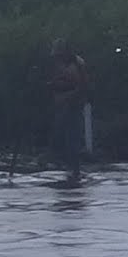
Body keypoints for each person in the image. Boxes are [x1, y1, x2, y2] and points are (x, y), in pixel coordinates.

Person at [46, 38, 89, 185]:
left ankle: (75, 169)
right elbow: (59, 81)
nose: (57, 57)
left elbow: (83, 86)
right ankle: (67, 167)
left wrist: (68, 97)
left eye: (59, 54)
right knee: (61, 135)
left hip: (74, 105)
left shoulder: (78, 64)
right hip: (61, 104)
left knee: (72, 138)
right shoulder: (59, 64)